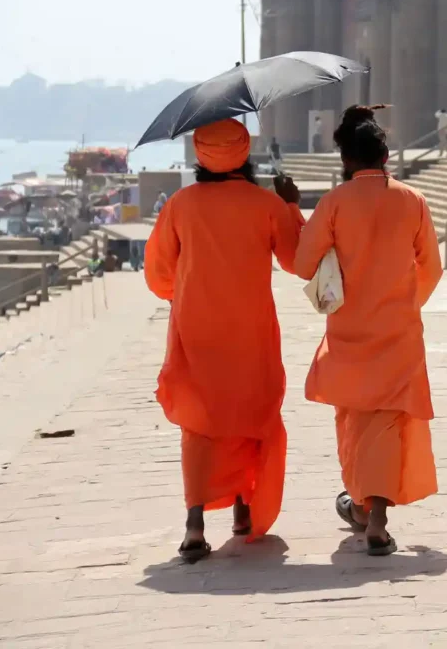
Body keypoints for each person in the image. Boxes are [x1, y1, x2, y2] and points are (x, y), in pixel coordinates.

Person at [145, 118, 304, 563]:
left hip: (196, 326)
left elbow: (159, 275)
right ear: (245, 154)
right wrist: (290, 205)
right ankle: (242, 508)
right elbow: (296, 261)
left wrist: (191, 285)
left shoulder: (180, 204)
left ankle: (195, 524)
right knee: (251, 411)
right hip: (251, 328)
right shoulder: (266, 205)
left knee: (201, 421)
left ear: (200, 155)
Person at [294, 105, 442, 557]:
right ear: (385, 154)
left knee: (355, 421)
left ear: (346, 159)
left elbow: (303, 264)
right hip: (398, 330)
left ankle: (366, 509)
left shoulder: (334, 203)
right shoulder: (412, 200)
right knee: (389, 421)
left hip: (349, 331)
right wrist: (404, 303)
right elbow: (431, 268)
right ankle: (370, 514)